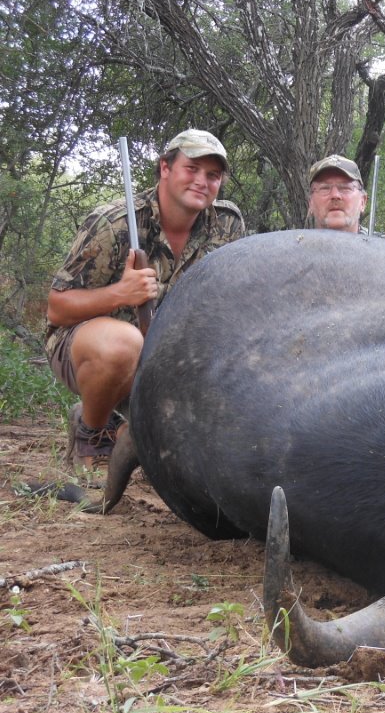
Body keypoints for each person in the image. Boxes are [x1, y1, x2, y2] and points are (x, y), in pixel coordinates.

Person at [45, 129, 246, 472]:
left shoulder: (227, 223)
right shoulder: (115, 221)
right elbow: (57, 308)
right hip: (92, 349)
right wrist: (120, 294)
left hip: (170, 355)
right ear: (165, 169)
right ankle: (91, 433)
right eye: (192, 169)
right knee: (123, 344)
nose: (202, 181)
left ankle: (123, 426)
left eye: (212, 175)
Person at [307, 154, 385, 241]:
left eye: (345, 188)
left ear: (363, 202)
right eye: (325, 188)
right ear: (310, 203)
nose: (335, 195)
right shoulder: (294, 246)